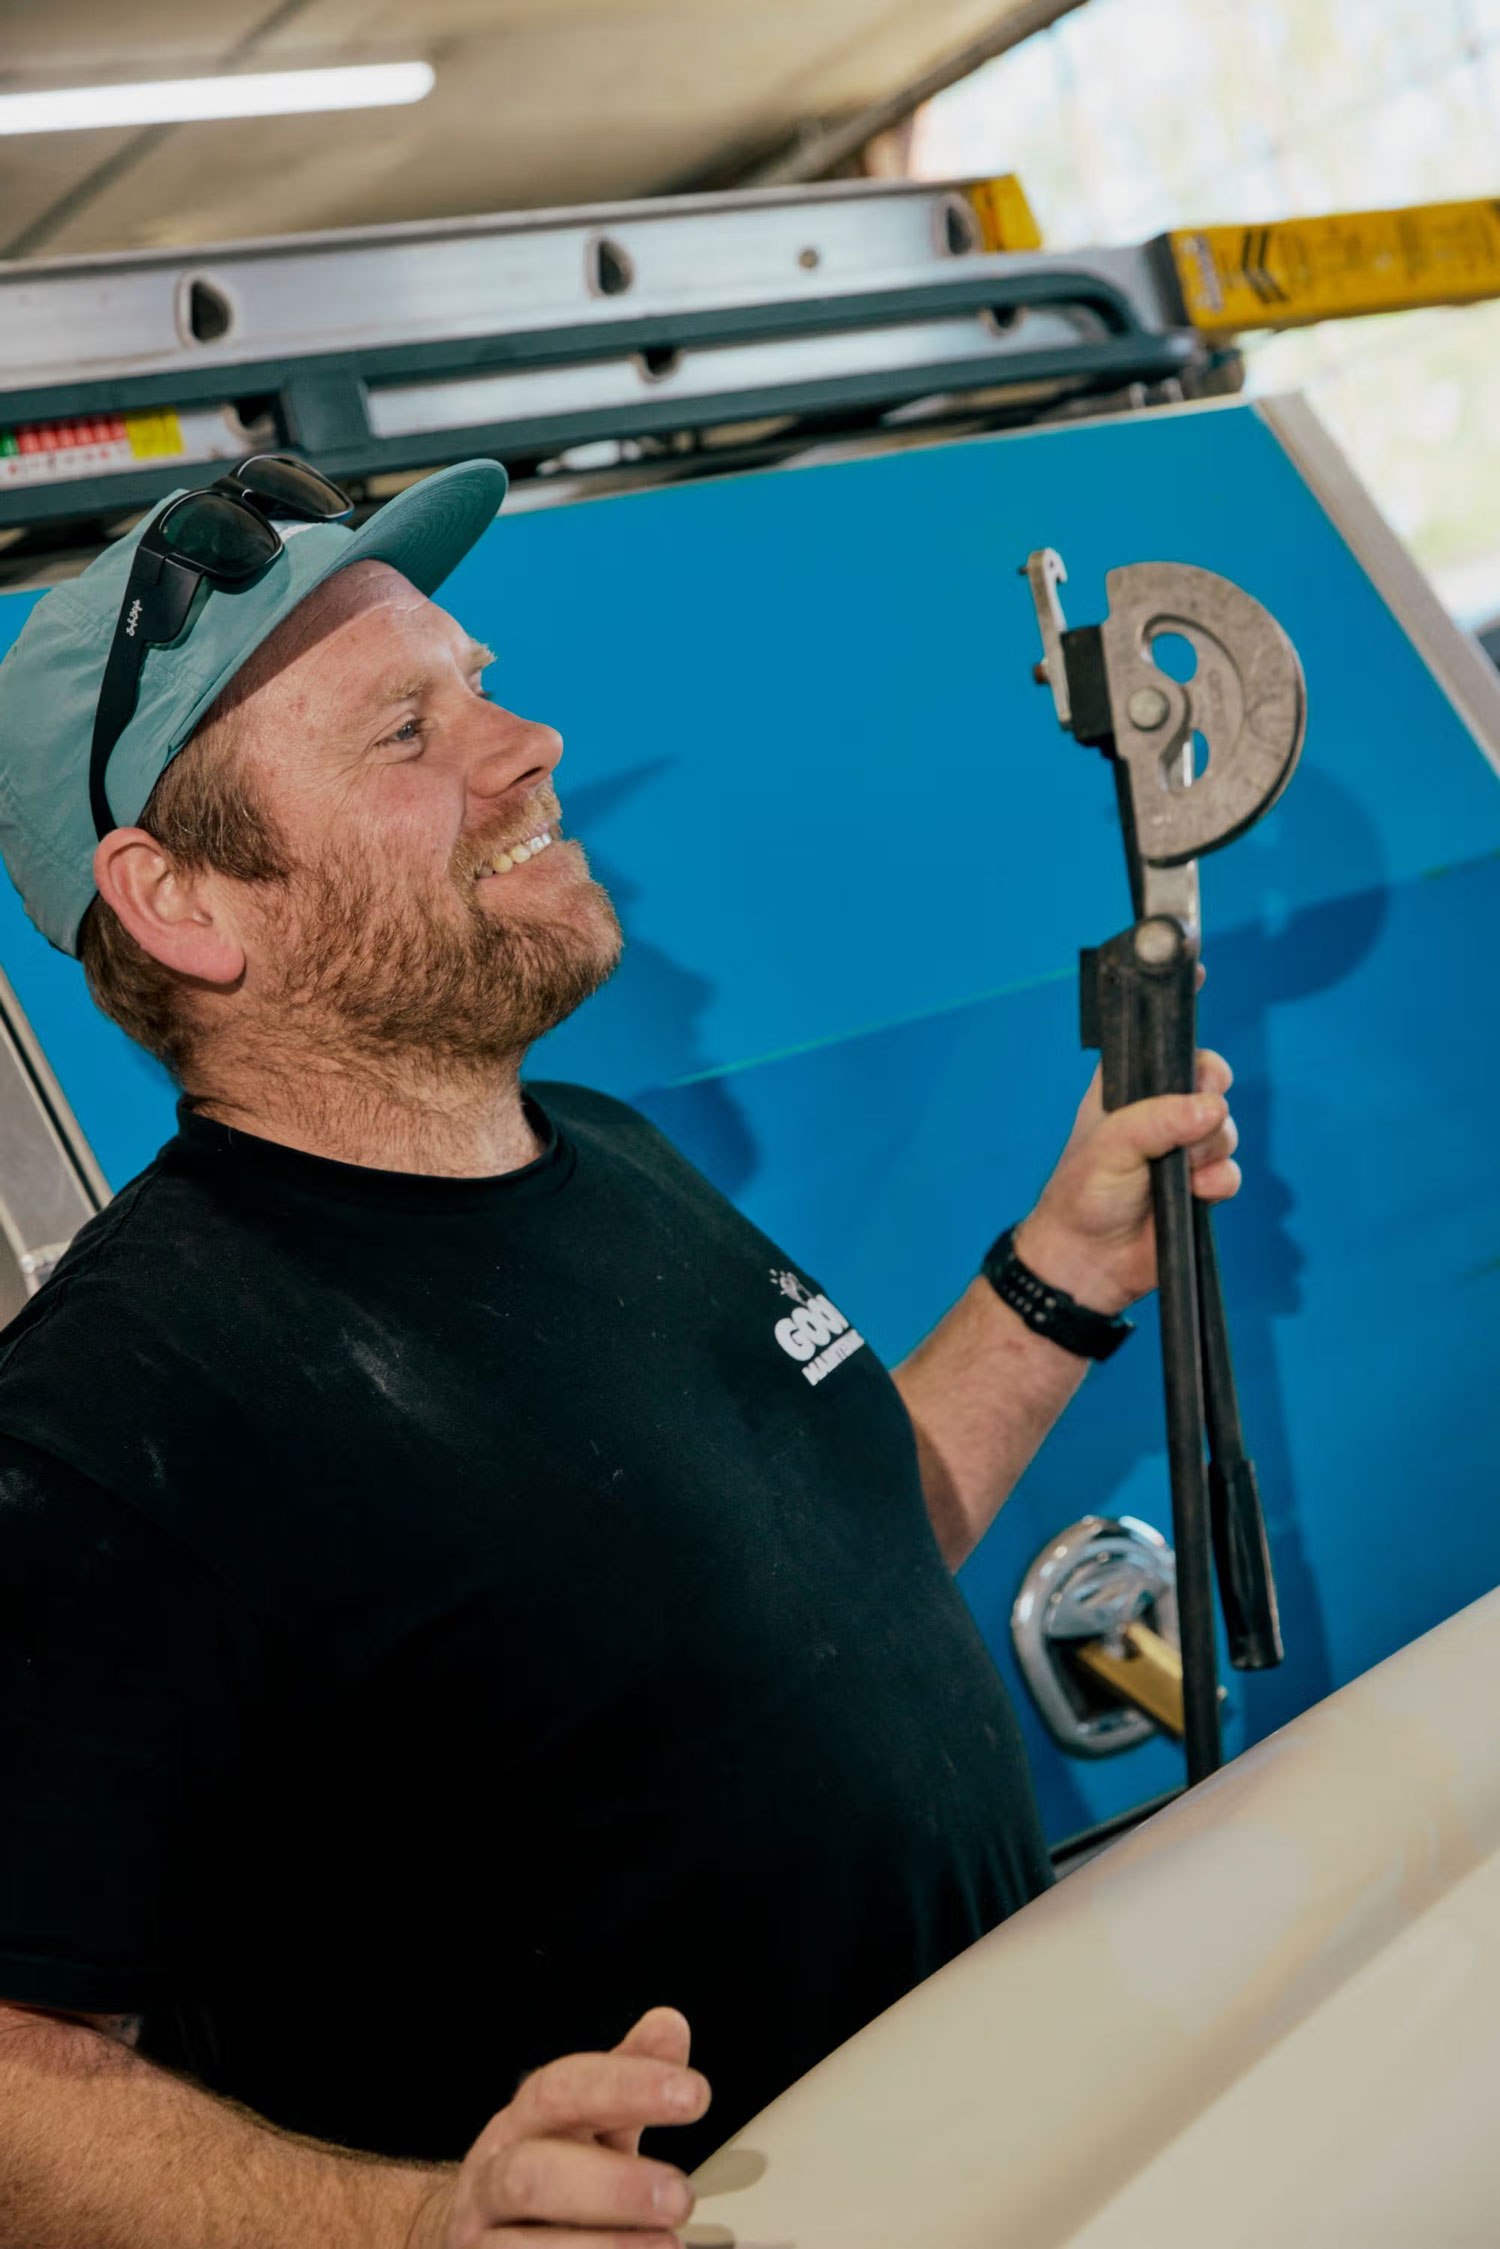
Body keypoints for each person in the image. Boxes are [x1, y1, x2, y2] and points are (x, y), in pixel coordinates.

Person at [0, 459, 1239, 2249]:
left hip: (1021, 2148)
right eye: (405, 732)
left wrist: (1063, 1275)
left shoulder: (612, 1156)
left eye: (480, 681)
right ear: (185, 899)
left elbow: (829, 1558)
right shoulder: (116, 1421)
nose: (529, 742)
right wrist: (421, 2227)